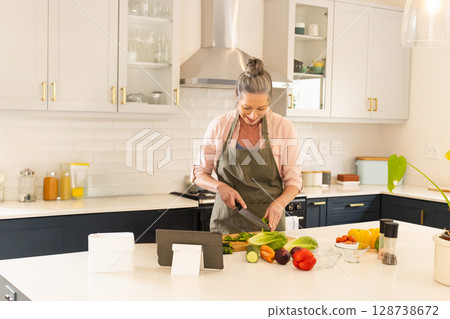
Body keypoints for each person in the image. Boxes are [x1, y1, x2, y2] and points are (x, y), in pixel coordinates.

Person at [191, 58, 302, 234]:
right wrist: (221, 187)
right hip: (226, 223)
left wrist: (280, 204)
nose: (253, 115)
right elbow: (199, 173)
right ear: (236, 94)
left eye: (261, 108)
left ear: (269, 101)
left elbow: (294, 181)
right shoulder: (220, 125)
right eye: (246, 107)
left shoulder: (283, 127)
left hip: (269, 226)